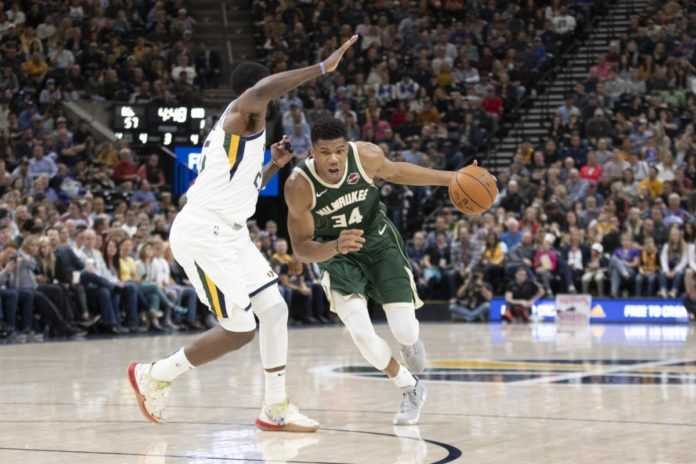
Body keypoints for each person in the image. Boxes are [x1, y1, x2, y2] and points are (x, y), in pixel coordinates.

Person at [128, 35, 358, 431]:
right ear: (255, 90)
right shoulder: (241, 113)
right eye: (265, 90)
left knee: (275, 309)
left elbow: (246, 188)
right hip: (204, 233)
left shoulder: (248, 133)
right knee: (240, 329)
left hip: (232, 234)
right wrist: (322, 67)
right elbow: (264, 90)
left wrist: (273, 166)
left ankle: (275, 408)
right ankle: (154, 374)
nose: (271, 98)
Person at [285, 116, 462, 425]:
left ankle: (410, 342)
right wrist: (335, 247)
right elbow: (301, 248)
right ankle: (409, 387)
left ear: (347, 147)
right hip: (337, 254)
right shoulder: (299, 185)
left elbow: (398, 172)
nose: (333, 159)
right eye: (325, 152)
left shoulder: (365, 155)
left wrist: (451, 178)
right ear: (312, 152)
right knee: (362, 334)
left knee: (405, 329)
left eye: (339, 150)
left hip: (378, 243)